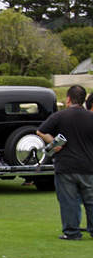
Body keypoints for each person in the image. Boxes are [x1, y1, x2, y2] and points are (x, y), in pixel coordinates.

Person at [36, 85, 93, 240]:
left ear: (68, 99)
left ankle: (72, 232)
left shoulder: (60, 116)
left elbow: (40, 131)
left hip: (66, 166)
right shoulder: (90, 116)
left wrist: (54, 142)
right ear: (84, 99)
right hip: (88, 166)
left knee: (69, 201)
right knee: (90, 201)